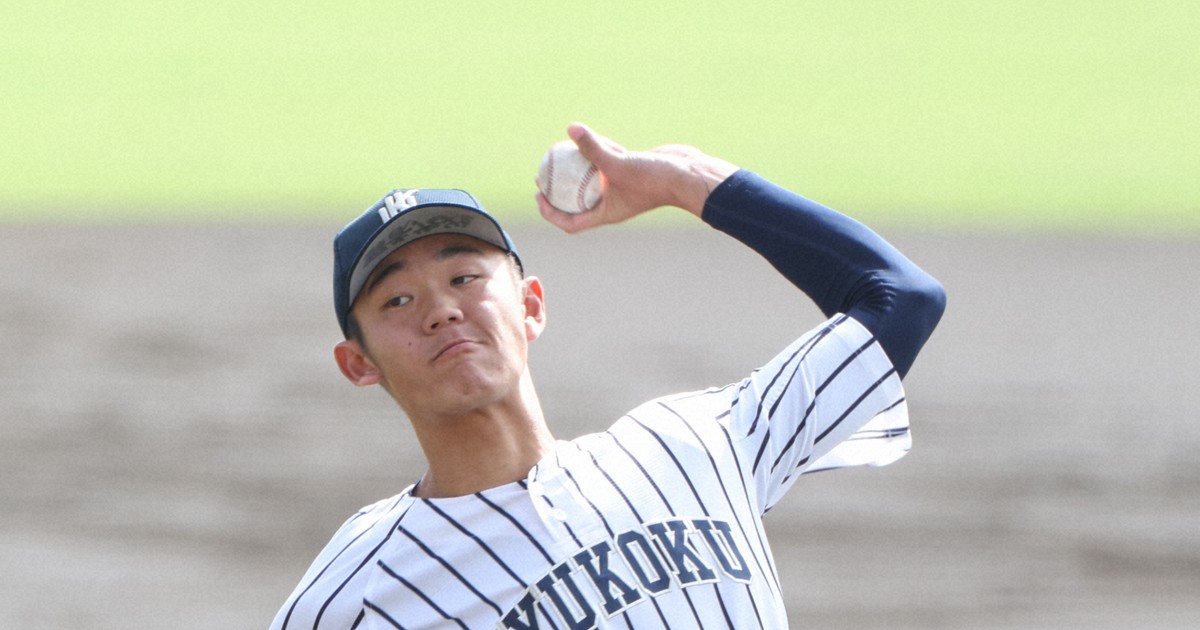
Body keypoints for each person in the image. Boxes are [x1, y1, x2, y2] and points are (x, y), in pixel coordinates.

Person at [270, 123, 946, 629]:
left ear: (530, 305)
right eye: (397, 300)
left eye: (464, 276)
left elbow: (900, 297)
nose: (442, 310)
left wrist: (687, 181)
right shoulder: (360, 592)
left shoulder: (696, 445)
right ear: (358, 364)